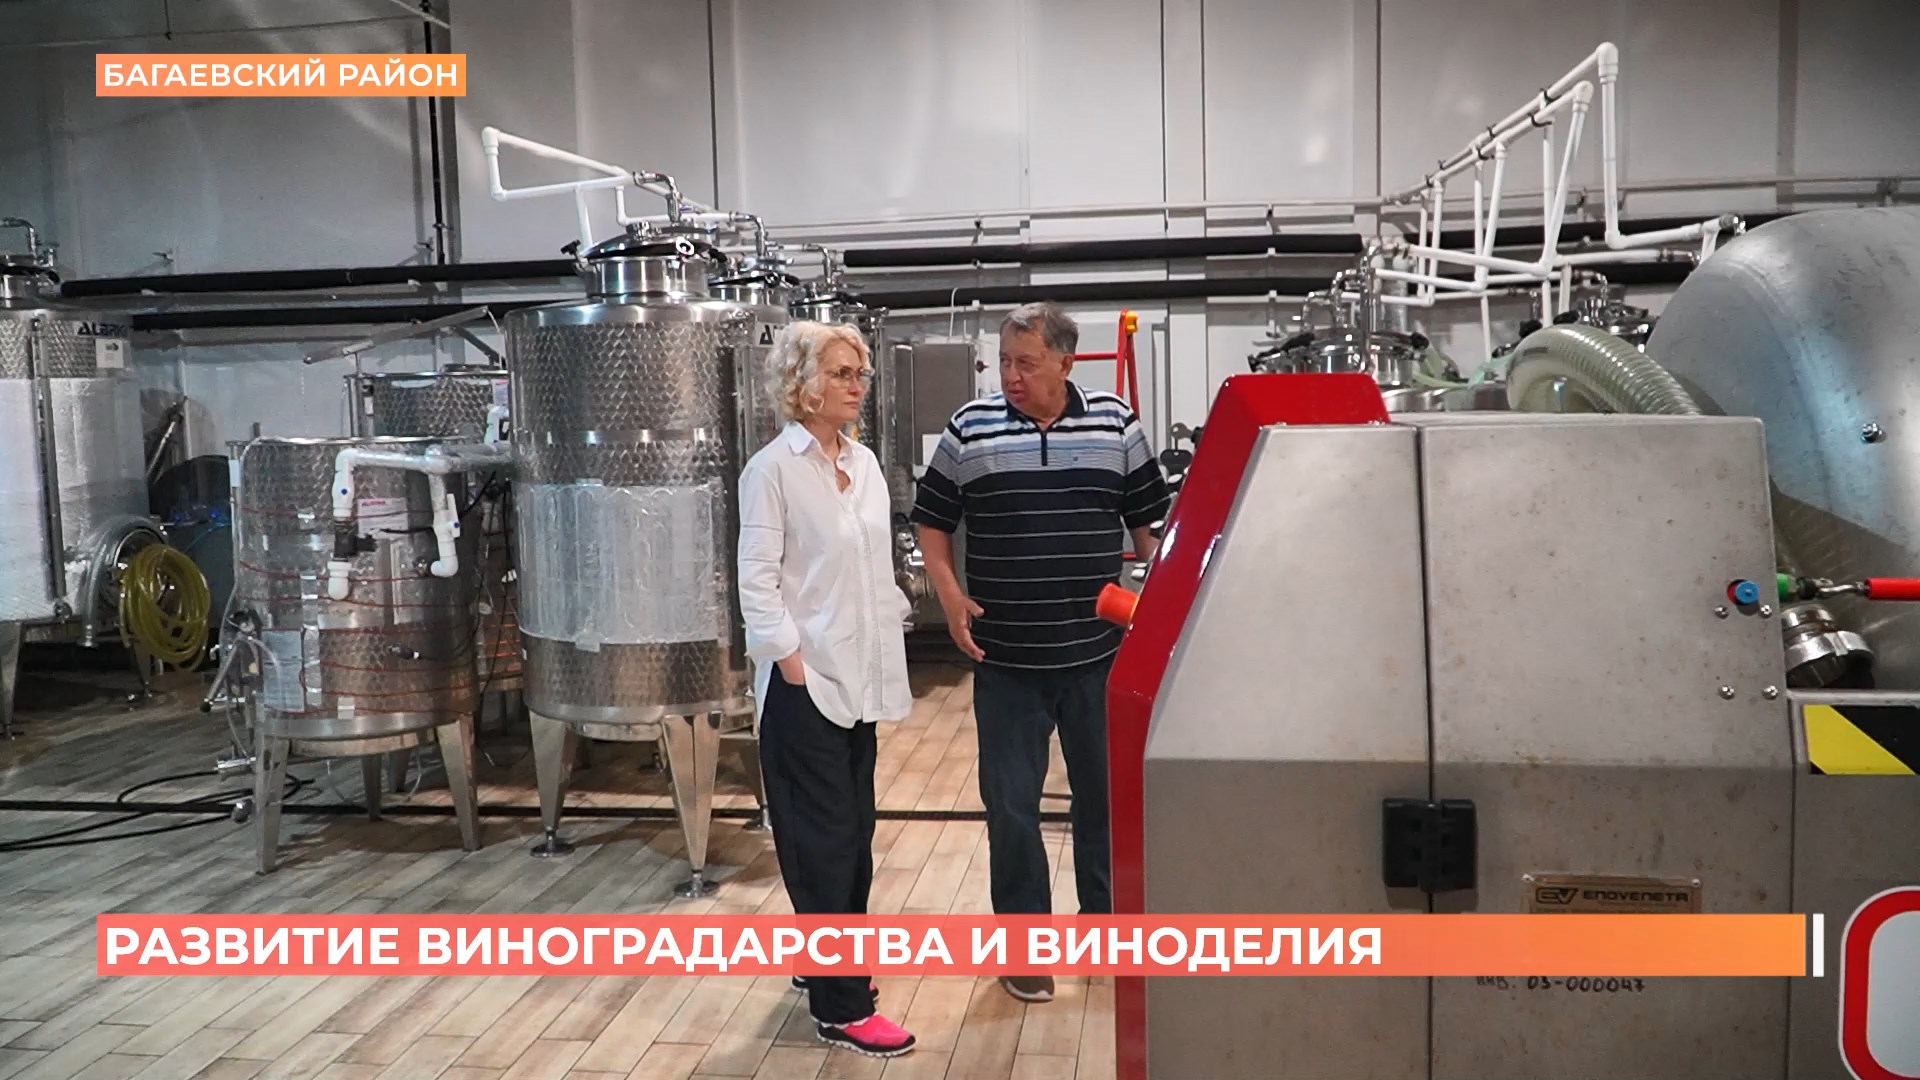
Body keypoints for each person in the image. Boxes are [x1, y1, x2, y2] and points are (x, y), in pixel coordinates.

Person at [909, 301, 1172, 1004]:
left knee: (1103, 804)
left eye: (1026, 363)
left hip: (1097, 657)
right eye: (1004, 362)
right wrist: (949, 595)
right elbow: (932, 521)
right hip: (1006, 662)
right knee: (1013, 811)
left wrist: (1160, 597)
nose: (1011, 377)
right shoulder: (972, 428)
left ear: (1066, 362)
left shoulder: (1115, 424)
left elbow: (1149, 528)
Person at [736, 320, 917, 1057]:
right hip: (804, 689)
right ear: (801, 382)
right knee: (827, 846)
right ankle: (841, 1006)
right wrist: (791, 664)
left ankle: (824, 964)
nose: (857, 385)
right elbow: (756, 582)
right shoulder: (772, 471)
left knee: (853, 838)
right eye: (842, 373)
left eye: (860, 373)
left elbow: (872, 568)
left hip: (858, 680)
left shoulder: (864, 464)